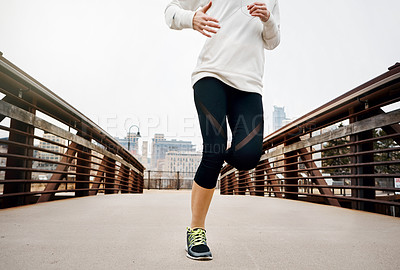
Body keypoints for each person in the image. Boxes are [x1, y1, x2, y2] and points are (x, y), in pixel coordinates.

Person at [164, 0, 280, 260]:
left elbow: (273, 41)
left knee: (249, 155)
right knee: (214, 149)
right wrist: (190, 18)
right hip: (211, 74)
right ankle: (196, 229)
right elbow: (169, 11)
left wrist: (268, 19)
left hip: (249, 84)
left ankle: (215, 160)